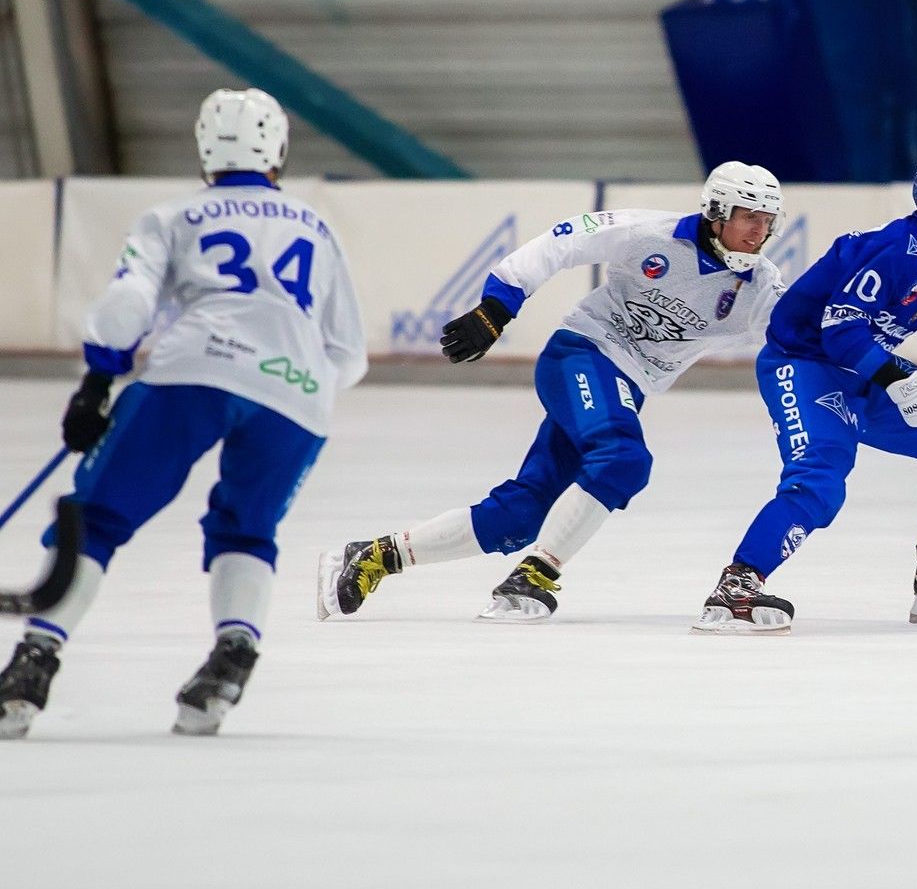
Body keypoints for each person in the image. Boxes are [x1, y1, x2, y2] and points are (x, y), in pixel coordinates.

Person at [0, 87, 367, 739]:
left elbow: (124, 308)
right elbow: (351, 354)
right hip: (300, 394)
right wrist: (295, 388)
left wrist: (96, 383)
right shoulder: (317, 225)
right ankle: (231, 654)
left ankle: (31, 670)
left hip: (193, 370)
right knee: (246, 528)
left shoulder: (173, 217)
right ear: (278, 150)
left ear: (203, 149)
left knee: (100, 517)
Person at [317, 162, 785, 623]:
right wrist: (498, 307)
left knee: (519, 515)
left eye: (767, 221)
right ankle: (535, 576)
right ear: (717, 212)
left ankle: (373, 556)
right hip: (582, 354)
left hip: (627, 387)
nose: (758, 231)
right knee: (623, 460)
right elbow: (560, 242)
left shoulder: (761, 288)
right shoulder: (649, 233)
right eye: (749, 217)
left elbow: (801, 338)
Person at [693, 149, 917, 634]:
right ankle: (738, 585)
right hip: (804, 365)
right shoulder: (892, 248)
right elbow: (839, 332)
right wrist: (902, 383)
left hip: (864, 372)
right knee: (821, 476)